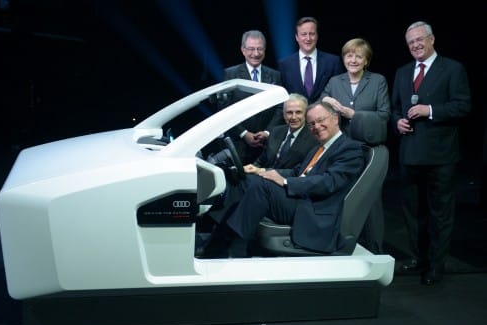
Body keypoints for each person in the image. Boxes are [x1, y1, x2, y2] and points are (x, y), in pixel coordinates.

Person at [201, 101, 365, 258]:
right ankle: (218, 235)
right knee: (249, 180)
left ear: (335, 118)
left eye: (320, 120)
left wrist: (286, 182)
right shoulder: (319, 147)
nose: (316, 127)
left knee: (261, 187)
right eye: (312, 124)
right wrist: (263, 171)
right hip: (299, 198)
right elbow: (296, 171)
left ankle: (227, 244)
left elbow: (329, 182)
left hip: (313, 208)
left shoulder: (350, 149)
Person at [391, 21, 471, 285]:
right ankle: (418, 259)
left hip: (441, 155)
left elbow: (462, 106)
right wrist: (397, 123)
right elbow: (395, 110)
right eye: (411, 42)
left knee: (440, 213)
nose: (415, 45)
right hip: (410, 153)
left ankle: (436, 265)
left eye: (419, 40)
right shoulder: (403, 72)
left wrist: (430, 110)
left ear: (432, 39)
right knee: (413, 212)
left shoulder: (453, 69)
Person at [202, 93, 317, 234]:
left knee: (246, 185)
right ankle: (217, 229)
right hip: (263, 181)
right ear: (283, 114)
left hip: (285, 188)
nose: (293, 117)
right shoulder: (276, 131)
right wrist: (251, 168)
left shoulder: (313, 138)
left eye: (298, 112)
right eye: (289, 113)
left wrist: (260, 171)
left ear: (305, 114)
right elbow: (261, 159)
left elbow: (298, 172)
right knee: (234, 179)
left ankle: (221, 234)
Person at [320, 37, 391, 254]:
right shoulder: (335, 82)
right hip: (341, 150)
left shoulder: (377, 81)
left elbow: (384, 114)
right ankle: (342, 248)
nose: (353, 59)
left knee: (371, 202)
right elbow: (320, 105)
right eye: (349, 55)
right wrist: (326, 101)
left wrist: (354, 115)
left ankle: (376, 251)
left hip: (368, 151)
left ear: (366, 60)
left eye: (358, 56)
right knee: (341, 197)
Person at [221, 30, 283, 164]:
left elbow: (280, 107)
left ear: (265, 50)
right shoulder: (231, 74)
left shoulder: (275, 75)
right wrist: (244, 134)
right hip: (239, 144)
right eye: (251, 49)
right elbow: (225, 109)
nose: (255, 53)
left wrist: (267, 132)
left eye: (260, 49)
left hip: (267, 145)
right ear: (243, 50)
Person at [278, 16, 344, 104]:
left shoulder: (333, 62)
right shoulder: (284, 65)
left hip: (324, 116)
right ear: (297, 37)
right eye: (304, 34)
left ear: (317, 36)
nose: (308, 38)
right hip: (295, 116)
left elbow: (339, 93)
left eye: (312, 34)